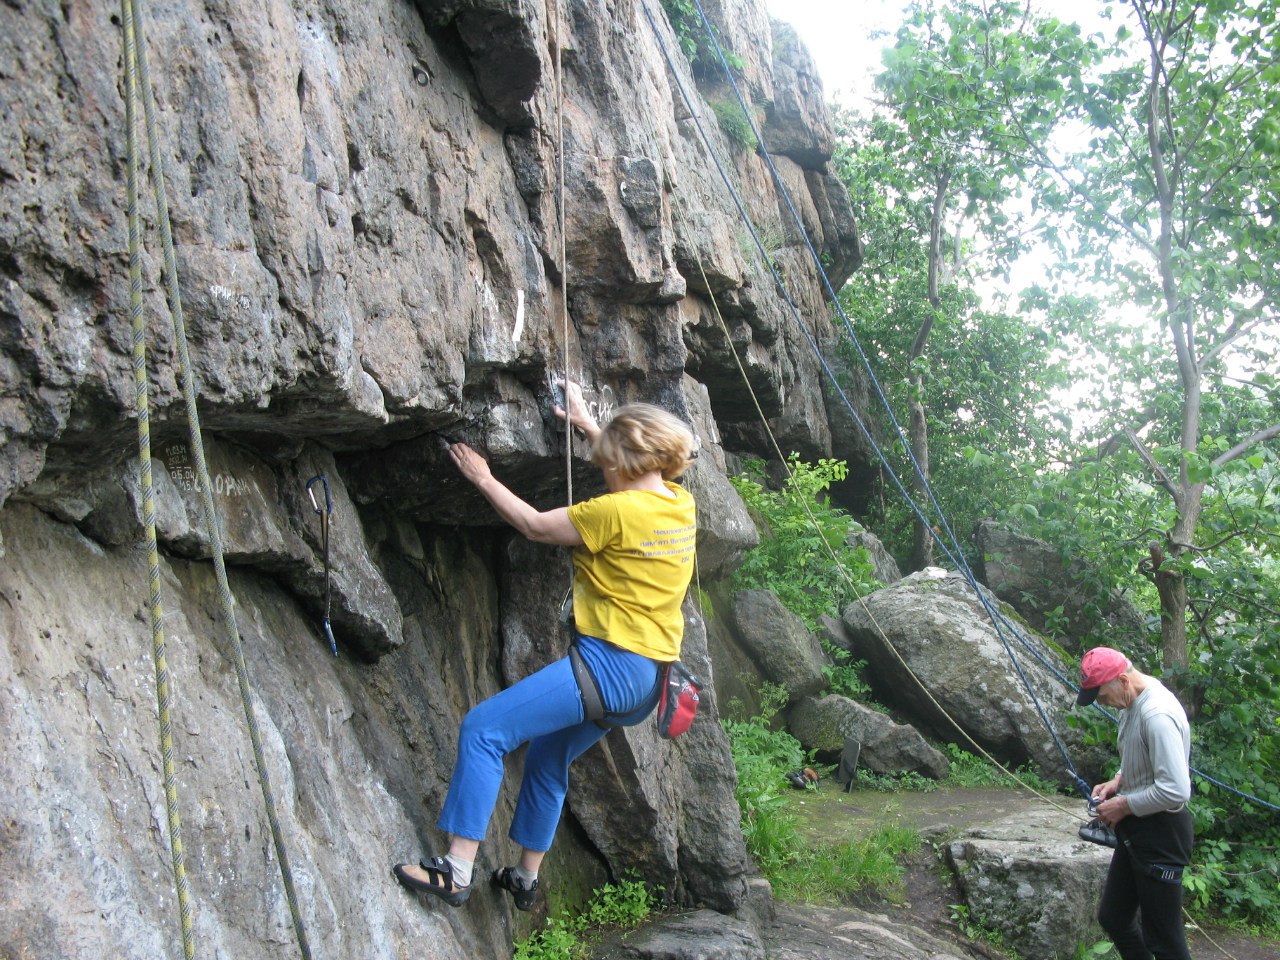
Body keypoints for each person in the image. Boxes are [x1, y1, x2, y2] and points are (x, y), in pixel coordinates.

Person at [393, 382, 697, 910]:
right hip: (647, 683)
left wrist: (483, 478)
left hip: (609, 666)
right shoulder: (679, 504)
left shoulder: (613, 511)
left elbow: (534, 525)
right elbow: (635, 463)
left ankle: (455, 869)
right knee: (549, 758)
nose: (602, 471)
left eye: (607, 462)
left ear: (624, 464)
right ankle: (525, 879)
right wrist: (586, 423)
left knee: (484, 729)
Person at [1076, 646, 1194, 960]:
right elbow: (1141, 756)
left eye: (1102, 696)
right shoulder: (1132, 703)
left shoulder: (1157, 715)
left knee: (1165, 942)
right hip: (1137, 829)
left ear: (1124, 680)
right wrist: (1119, 780)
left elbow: (1176, 789)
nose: (1103, 703)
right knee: (1113, 917)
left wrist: (1124, 805)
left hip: (1162, 834)